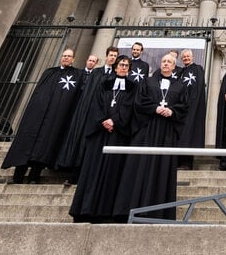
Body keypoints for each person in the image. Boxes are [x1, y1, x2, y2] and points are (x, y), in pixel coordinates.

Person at [113, 53, 189, 221]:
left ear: (174, 66)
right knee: (141, 166)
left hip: (167, 133)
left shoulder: (180, 86)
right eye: (164, 61)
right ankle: (133, 208)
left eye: (169, 62)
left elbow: (184, 107)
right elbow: (139, 102)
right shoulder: (147, 82)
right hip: (148, 130)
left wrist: (172, 111)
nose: (166, 64)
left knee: (162, 168)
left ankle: (159, 213)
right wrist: (154, 108)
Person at [69, 55, 136, 223]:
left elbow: (129, 108)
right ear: (115, 67)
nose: (123, 67)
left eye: (126, 65)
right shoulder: (104, 85)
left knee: (112, 171)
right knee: (92, 170)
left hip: (118, 135)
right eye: (121, 64)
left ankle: (105, 212)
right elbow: (96, 105)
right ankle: (85, 210)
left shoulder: (133, 87)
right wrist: (103, 121)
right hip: (99, 133)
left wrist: (115, 121)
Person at [1, 48, 81, 184]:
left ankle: (34, 176)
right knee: (26, 143)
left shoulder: (77, 75)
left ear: (73, 59)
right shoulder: (49, 72)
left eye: (69, 56)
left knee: (43, 146)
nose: (66, 58)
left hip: (54, 118)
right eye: (64, 56)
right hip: (37, 115)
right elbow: (39, 92)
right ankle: (18, 176)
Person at [56, 50, 110, 180]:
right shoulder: (91, 74)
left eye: (93, 61)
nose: (91, 62)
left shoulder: (103, 75)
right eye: (89, 60)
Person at [177, 48, 207, 169]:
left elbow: (198, 88)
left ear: (192, 57)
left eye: (188, 56)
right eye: (184, 57)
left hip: (192, 107)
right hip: (181, 108)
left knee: (189, 133)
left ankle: (187, 162)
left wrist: (192, 105)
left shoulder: (198, 69)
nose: (186, 58)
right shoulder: (180, 72)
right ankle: (178, 161)